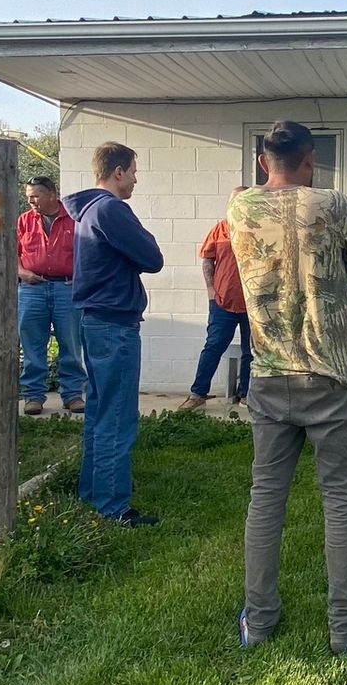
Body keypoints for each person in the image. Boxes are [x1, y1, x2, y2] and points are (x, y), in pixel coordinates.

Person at [230, 125, 347, 655]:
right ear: (310, 160)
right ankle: (346, 630)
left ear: (263, 161)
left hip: (270, 373)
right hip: (332, 374)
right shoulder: (331, 203)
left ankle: (258, 622)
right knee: (342, 502)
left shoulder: (239, 209)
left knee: (266, 500)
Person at [64, 143, 164, 526]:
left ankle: (92, 492)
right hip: (114, 325)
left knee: (101, 411)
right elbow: (152, 258)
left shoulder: (87, 210)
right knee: (118, 416)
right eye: (134, 171)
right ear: (118, 171)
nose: (136, 179)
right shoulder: (110, 209)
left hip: (96, 320)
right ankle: (112, 506)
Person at [16, 175, 85, 416]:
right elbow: (12, 253)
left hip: (66, 289)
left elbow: (88, 253)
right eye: (28, 197)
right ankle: (33, 396)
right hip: (32, 289)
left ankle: (73, 394)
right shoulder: (24, 221)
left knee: (71, 343)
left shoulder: (74, 220)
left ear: (52, 194)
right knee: (32, 344)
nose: (31, 201)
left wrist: (80, 278)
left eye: (35, 196)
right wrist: (22, 272)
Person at [178, 188, 252, 412]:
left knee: (252, 351)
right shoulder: (220, 229)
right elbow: (208, 260)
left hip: (252, 304)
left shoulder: (259, 229)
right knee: (214, 346)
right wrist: (210, 289)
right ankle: (198, 393)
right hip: (222, 301)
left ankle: (247, 394)